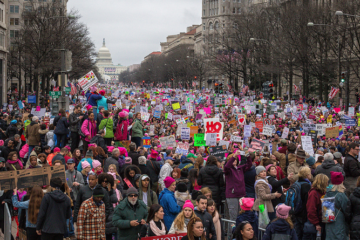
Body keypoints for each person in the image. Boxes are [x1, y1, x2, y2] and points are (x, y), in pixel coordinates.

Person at [224, 149, 252, 221]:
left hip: (241, 195)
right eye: (232, 160)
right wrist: (234, 155)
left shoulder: (240, 168)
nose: (234, 160)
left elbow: (249, 165)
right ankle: (232, 232)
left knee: (241, 216)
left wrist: (247, 156)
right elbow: (227, 166)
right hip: (232, 195)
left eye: (236, 159)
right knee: (233, 217)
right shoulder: (228, 170)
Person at [324, 171, 349, 240]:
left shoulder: (327, 193)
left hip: (329, 221)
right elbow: (347, 210)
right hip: (339, 222)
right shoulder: (341, 195)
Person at [305, 173, 329, 240]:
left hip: (323, 221)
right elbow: (311, 209)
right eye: (326, 181)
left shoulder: (324, 192)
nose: (327, 183)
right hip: (317, 223)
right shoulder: (314, 193)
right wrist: (316, 223)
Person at [291, 167, 312, 240]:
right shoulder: (306, 185)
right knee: (304, 233)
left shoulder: (296, 183)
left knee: (297, 231)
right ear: (307, 175)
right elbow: (306, 201)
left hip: (296, 211)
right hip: (303, 212)